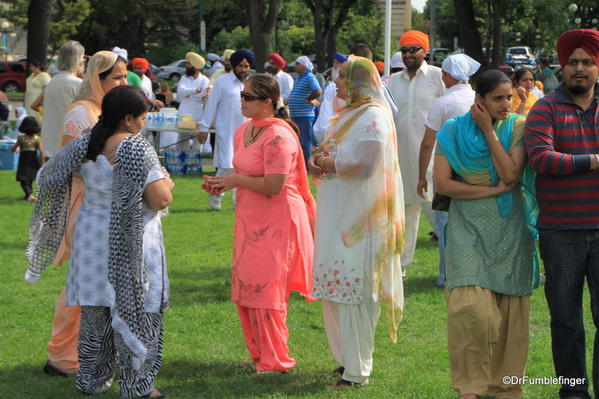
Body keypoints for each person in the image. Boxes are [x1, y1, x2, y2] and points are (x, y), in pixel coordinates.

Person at [26, 85, 173, 399]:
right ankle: (138, 387)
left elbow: (48, 174)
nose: (145, 122)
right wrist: (165, 177)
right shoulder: (135, 146)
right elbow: (160, 198)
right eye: (144, 117)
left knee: (96, 319)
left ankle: (92, 382)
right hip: (130, 243)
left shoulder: (86, 143)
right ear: (129, 118)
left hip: (91, 240)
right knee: (140, 316)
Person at [202, 74, 315, 373]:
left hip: (277, 218)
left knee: (267, 289)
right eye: (242, 95)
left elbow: (275, 185)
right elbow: (244, 174)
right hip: (250, 218)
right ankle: (258, 354)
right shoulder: (243, 130)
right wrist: (222, 184)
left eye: (249, 97)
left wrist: (237, 180)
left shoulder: (280, 136)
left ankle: (276, 359)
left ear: (268, 103)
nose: (242, 101)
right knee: (248, 287)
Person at [435, 69, 535, 399]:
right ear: (479, 99)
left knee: (511, 318)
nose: (507, 103)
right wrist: (490, 192)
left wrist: (488, 131)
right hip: (468, 228)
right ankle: (470, 387)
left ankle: (505, 388)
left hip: (509, 231)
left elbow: (511, 172)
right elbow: (443, 184)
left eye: (510, 97)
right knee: (469, 312)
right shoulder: (451, 130)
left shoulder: (518, 126)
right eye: (498, 98)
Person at [308, 56, 405, 388]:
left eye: (343, 78)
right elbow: (326, 151)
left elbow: (367, 165)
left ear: (359, 82)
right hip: (337, 210)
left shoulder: (374, 117)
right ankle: (346, 359)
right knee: (336, 291)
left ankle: (358, 370)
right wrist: (317, 160)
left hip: (363, 217)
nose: (337, 83)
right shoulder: (347, 115)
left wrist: (326, 161)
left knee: (357, 292)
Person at [42, 50, 129, 378]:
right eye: (116, 77)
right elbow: (73, 163)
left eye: (125, 77)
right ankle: (62, 356)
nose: (122, 83)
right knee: (81, 284)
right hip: (84, 206)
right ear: (97, 78)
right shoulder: (82, 113)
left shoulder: (105, 111)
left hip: (105, 206)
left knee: (102, 284)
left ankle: (91, 351)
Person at [525, 29, 599, 399]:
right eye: (573, 62)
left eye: (587, 62)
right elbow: (541, 158)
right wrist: (595, 160)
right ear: (562, 66)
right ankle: (573, 392)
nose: (580, 69)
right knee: (566, 320)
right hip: (560, 232)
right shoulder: (545, 108)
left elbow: (558, 159)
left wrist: (572, 162)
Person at [416, 54, 480, 288]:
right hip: (479, 169)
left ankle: (446, 275)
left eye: (444, 73)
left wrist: (422, 175)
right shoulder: (479, 99)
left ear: (449, 76)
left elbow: (426, 143)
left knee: (445, 224)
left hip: (447, 171)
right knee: (475, 221)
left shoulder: (442, 103)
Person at [388, 30, 445, 271]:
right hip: (401, 159)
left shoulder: (438, 77)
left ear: (425, 51)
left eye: (414, 49)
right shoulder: (393, 82)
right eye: (404, 50)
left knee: (439, 215)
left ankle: (454, 267)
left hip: (432, 160)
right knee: (404, 216)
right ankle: (401, 265)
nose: (409, 54)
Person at [199, 49, 253, 210]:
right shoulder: (223, 81)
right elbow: (211, 105)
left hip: (248, 132)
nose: (243, 69)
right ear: (234, 65)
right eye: (240, 66)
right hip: (227, 131)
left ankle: (238, 203)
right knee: (226, 166)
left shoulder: (251, 83)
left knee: (243, 168)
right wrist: (204, 127)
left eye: (246, 66)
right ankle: (215, 198)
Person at [40, 40, 85, 159]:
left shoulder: (52, 82)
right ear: (78, 60)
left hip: (50, 145)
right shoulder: (78, 84)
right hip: (70, 147)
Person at [287, 55, 322, 168]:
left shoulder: (309, 76)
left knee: (305, 142)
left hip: (304, 115)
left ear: (304, 66)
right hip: (296, 115)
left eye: (298, 64)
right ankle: (300, 164)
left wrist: (309, 99)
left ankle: (307, 166)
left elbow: (317, 91)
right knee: (298, 141)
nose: (295, 66)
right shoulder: (299, 77)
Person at [176, 52, 208, 151]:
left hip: (198, 115)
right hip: (184, 114)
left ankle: (195, 165)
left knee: (197, 144)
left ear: (196, 66)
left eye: (189, 64)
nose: (187, 66)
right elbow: (180, 92)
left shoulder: (204, 80)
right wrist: (195, 90)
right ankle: (180, 165)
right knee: (182, 142)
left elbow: (203, 94)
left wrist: (188, 94)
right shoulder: (184, 78)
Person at [313, 52, 347, 145]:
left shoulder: (332, 86)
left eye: (337, 63)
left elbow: (322, 125)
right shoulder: (331, 82)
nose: (335, 65)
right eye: (334, 62)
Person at [12, 116, 44, 201]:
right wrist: (42, 162)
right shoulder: (37, 138)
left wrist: (15, 149)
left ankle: (29, 195)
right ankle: (28, 195)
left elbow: (14, 148)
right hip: (34, 158)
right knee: (29, 177)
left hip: (23, 159)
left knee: (23, 178)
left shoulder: (21, 138)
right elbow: (41, 151)